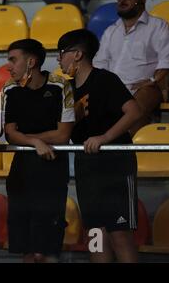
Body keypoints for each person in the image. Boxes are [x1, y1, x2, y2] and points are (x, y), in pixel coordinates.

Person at [58, 29, 142, 263]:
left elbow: (134, 111)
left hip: (115, 163)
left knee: (119, 234)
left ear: (77, 54)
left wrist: (104, 138)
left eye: (62, 53)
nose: (59, 59)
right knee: (95, 233)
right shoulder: (67, 90)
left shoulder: (105, 79)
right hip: (87, 166)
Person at [2, 39, 75, 263]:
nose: (8, 66)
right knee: (26, 249)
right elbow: (9, 133)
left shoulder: (61, 86)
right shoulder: (9, 89)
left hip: (52, 171)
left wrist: (28, 139)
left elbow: (63, 134)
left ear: (31, 62)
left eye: (13, 60)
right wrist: (37, 143)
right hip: (21, 171)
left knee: (46, 250)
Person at [93, 0, 169, 136]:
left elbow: (166, 59)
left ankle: (126, 148)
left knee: (141, 99)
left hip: (144, 87)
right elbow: (100, 64)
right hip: (114, 89)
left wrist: (152, 80)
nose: (122, 0)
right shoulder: (111, 31)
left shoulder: (158, 26)